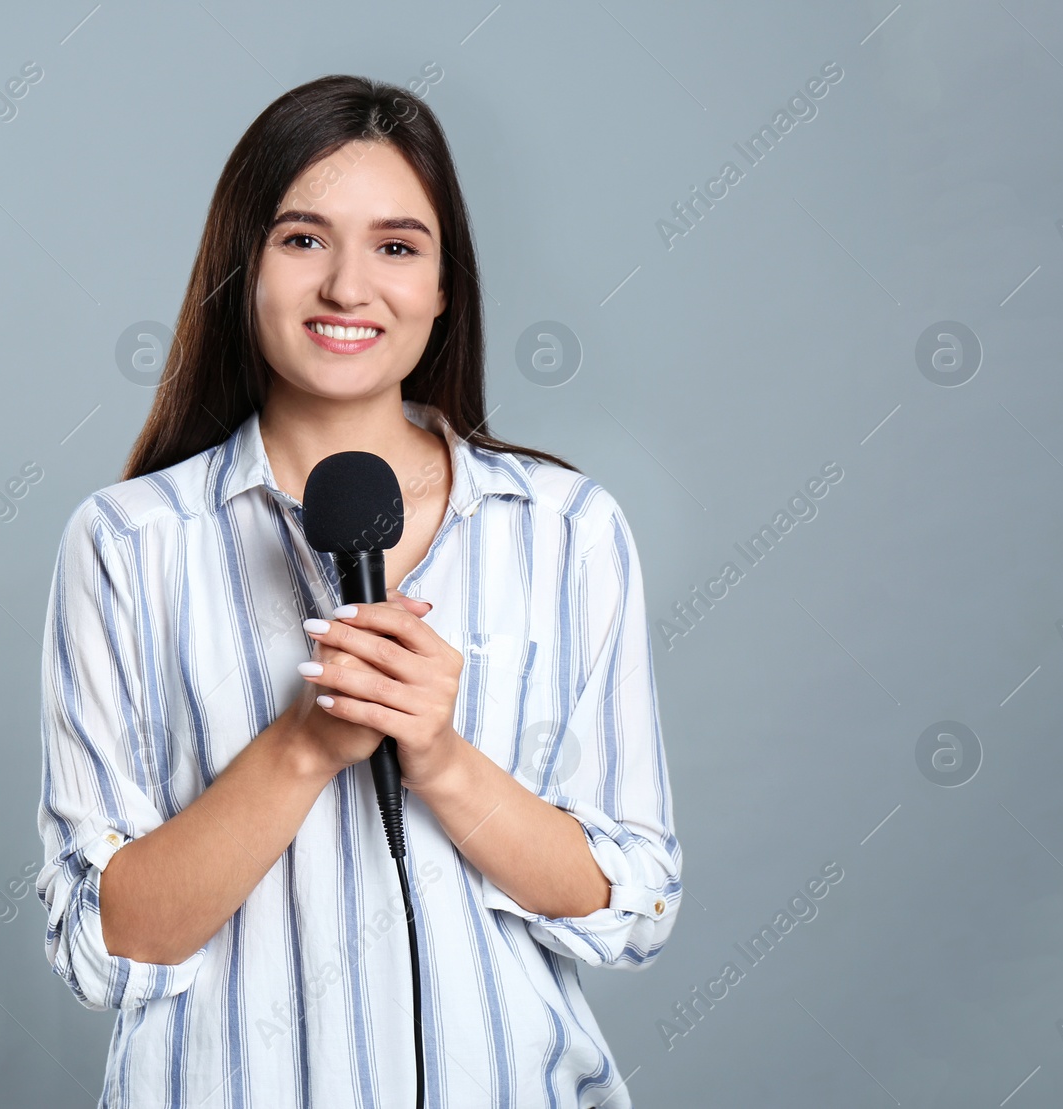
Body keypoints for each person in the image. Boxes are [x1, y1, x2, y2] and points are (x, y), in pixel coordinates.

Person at [36, 73, 682, 1109]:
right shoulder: (128, 546)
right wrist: (301, 746)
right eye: (302, 239)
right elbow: (103, 943)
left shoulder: (568, 532)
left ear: (442, 287)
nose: (347, 286)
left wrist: (440, 756)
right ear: (242, 268)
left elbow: (634, 905)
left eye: (395, 245)